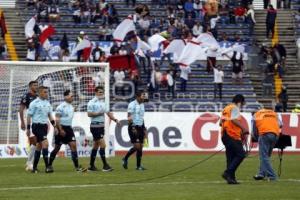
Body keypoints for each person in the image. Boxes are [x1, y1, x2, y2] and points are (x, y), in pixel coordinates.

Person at [48, 90, 86, 172]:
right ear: (65, 97)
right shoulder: (60, 107)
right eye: (71, 96)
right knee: (57, 148)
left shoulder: (71, 107)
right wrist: (60, 129)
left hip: (69, 128)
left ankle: (77, 167)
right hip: (61, 128)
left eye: (72, 96)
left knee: (73, 146)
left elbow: (69, 114)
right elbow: (57, 119)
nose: (72, 97)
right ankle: (49, 165)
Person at [87, 86, 119, 172]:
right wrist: (98, 113)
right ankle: (105, 166)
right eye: (100, 92)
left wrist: (115, 120)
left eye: (102, 92)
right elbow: (89, 114)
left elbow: (108, 113)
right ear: (96, 92)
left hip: (101, 126)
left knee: (95, 146)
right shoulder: (91, 102)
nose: (101, 94)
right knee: (103, 145)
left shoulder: (103, 103)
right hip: (95, 126)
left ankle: (91, 166)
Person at [220, 94, 249, 184]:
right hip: (232, 135)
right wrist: (243, 128)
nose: (242, 106)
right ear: (239, 102)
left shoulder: (226, 109)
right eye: (242, 104)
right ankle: (228, 172)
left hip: (224, 136)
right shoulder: (235, 108)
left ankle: (231, 179)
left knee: (230, 157)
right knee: (241, 154)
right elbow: (233, 120)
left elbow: (220, 123)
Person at [26, 86, 55, 173]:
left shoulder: (47, 103)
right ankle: (47, 167)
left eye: (47, 92)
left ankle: (34, 168)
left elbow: (50, 115)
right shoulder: (34, 103)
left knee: (39, 146)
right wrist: (28, 128)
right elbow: (28, 116)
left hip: (44, 126)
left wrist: (55, 126)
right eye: (45, 92)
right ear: (39, 93)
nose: (47, 94)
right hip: (37, 126)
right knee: (45, 143)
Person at [252, 108, 282, 181]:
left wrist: (256, 138)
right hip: (275, 135)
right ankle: (261, 174)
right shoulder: (273, 113)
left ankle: (272, 175)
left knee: (264, 156)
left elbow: (254, 130)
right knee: (266, 156)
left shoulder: (256, 115)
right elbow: (280, 124)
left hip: (264, 134)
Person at [122, 90, 147, 170]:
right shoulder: (132, 104)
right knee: (137, 146)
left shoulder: (142, 104)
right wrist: (133, 127)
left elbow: (141, 117)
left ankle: (138, 166)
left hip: (141, 127)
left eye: (144, 96)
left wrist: (144, 129)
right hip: (133, 127)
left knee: (141, 147)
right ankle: (125, 158)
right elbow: (129, 117)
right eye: (143, 96)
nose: (144, 97)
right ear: (137, 96)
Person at [19, 81, 38, 171]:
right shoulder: (26, 96)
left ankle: (30, 162)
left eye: (37, 85)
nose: (36, 87)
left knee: (36, 142)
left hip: (37, 121)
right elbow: (21, 109)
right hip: (28, 120)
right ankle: (30, 163)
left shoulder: (38, 96)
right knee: (34, 141)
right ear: (30, 86)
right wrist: (22, 122)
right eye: (34, 85)